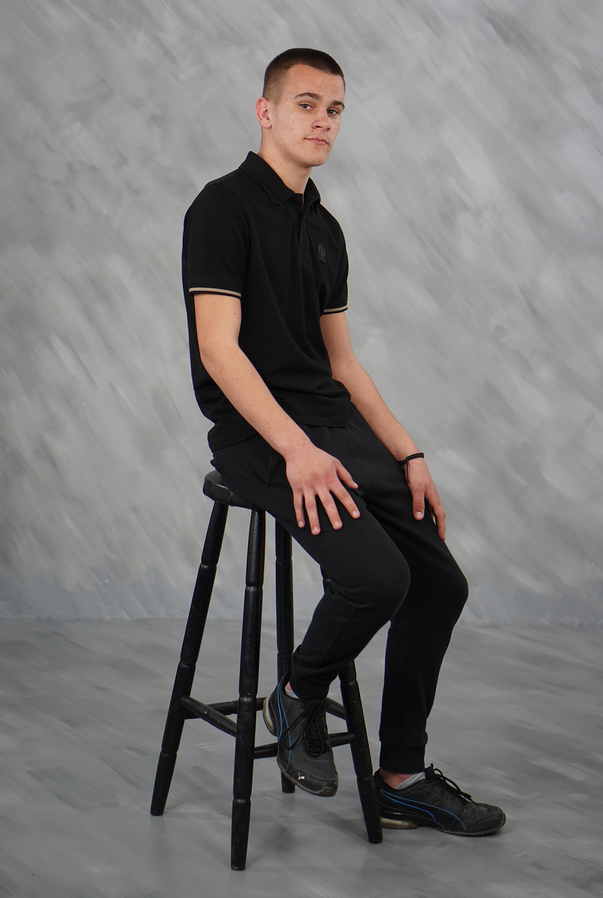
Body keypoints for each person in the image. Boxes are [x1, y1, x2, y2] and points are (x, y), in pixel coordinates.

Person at [181, 47, 506, 836]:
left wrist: (407, 452)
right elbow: (219, 351)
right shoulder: (221, 208)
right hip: (256, 435)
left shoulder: (323, 227)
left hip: (333, 427)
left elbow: (342, 364)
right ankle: (297, 694)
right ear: (265, 111)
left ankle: (401, 777)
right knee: (376, 579)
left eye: (333, 109)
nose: (321, 121)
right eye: (305, 104)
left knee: (439, 583)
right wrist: (295, 449)